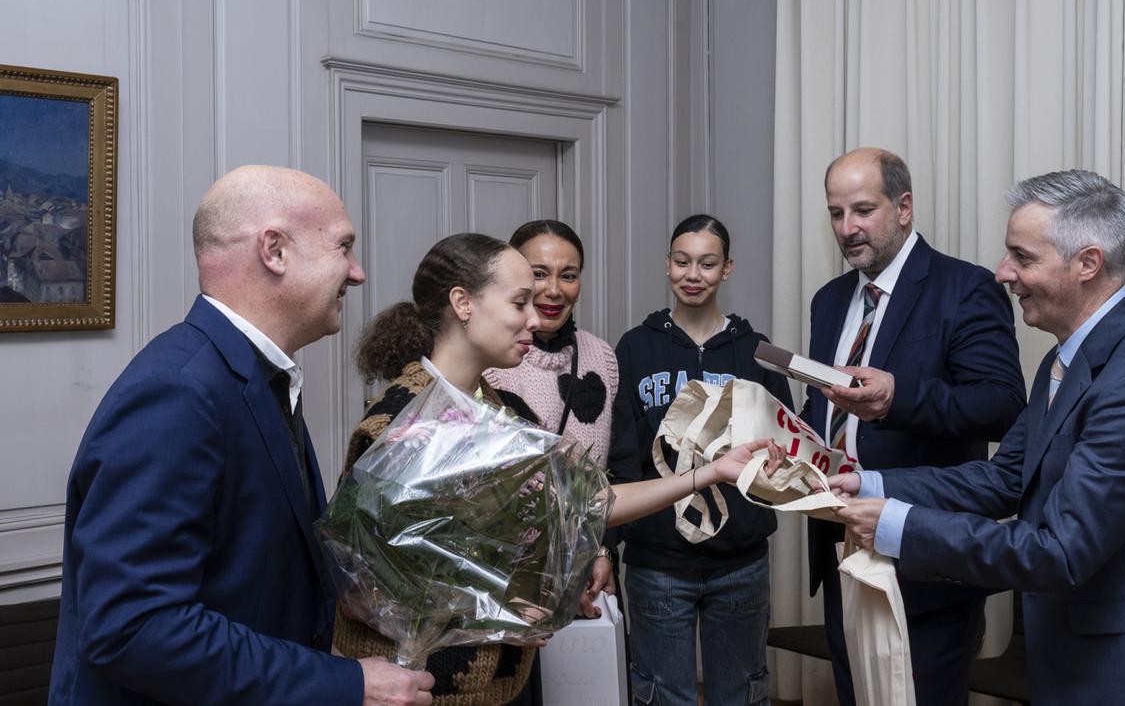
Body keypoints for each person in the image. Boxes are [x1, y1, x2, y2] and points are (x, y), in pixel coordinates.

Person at [830, 170, 1125, 706]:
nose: (1003, 273)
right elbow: (1006, 476)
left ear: (1087, 264)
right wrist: (868, 484)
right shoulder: (1063, 356)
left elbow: (1060, 551)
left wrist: (896, 525)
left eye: (1022, 258)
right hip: (1082, 644)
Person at [334, 232, 777, 706]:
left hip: (501, 681)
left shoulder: (508, 413)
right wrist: (508, 609)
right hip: (418, 685)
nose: (534, 317)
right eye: (519, 301)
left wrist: (709, 474)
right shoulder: (402, 421)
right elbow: (359, 586)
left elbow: (587, 504)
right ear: (463, 303)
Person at [49, 165, 434, 705]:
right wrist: (344, 685)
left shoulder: (255, 376)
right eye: (343, 247)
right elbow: (135, 630)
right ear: (274, 251)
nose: (357, 272)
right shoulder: (178, 392)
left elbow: (248, 572)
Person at [803, 148, 1025, 705]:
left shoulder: (965, 287)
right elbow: (825, 410)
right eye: (836, 213)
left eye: (862, 210)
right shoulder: (829, 301)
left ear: (904, 207)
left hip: (924, 557)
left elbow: (1001, 405)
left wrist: (898, 398)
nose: (847, 229)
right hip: (841, 546)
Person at [613, 214, 794, 706]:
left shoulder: (758, 353)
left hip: (740, 563)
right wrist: (611, 546)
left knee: (740, 693)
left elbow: (786, 444)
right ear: (667, 266)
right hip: (657, 563)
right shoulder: (634, 348)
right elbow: (622, 460)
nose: (693, 274)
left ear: (727, 269)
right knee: (661, 694)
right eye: (682, 261)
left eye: (707, 263)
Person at [483, 220, 620, 618]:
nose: (554, 290)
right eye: (537, 274)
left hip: (593, 568)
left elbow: (619, 469)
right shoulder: (492, 361)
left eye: (569, 275)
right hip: (510, 578)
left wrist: (601, 549)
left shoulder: (603, 358)